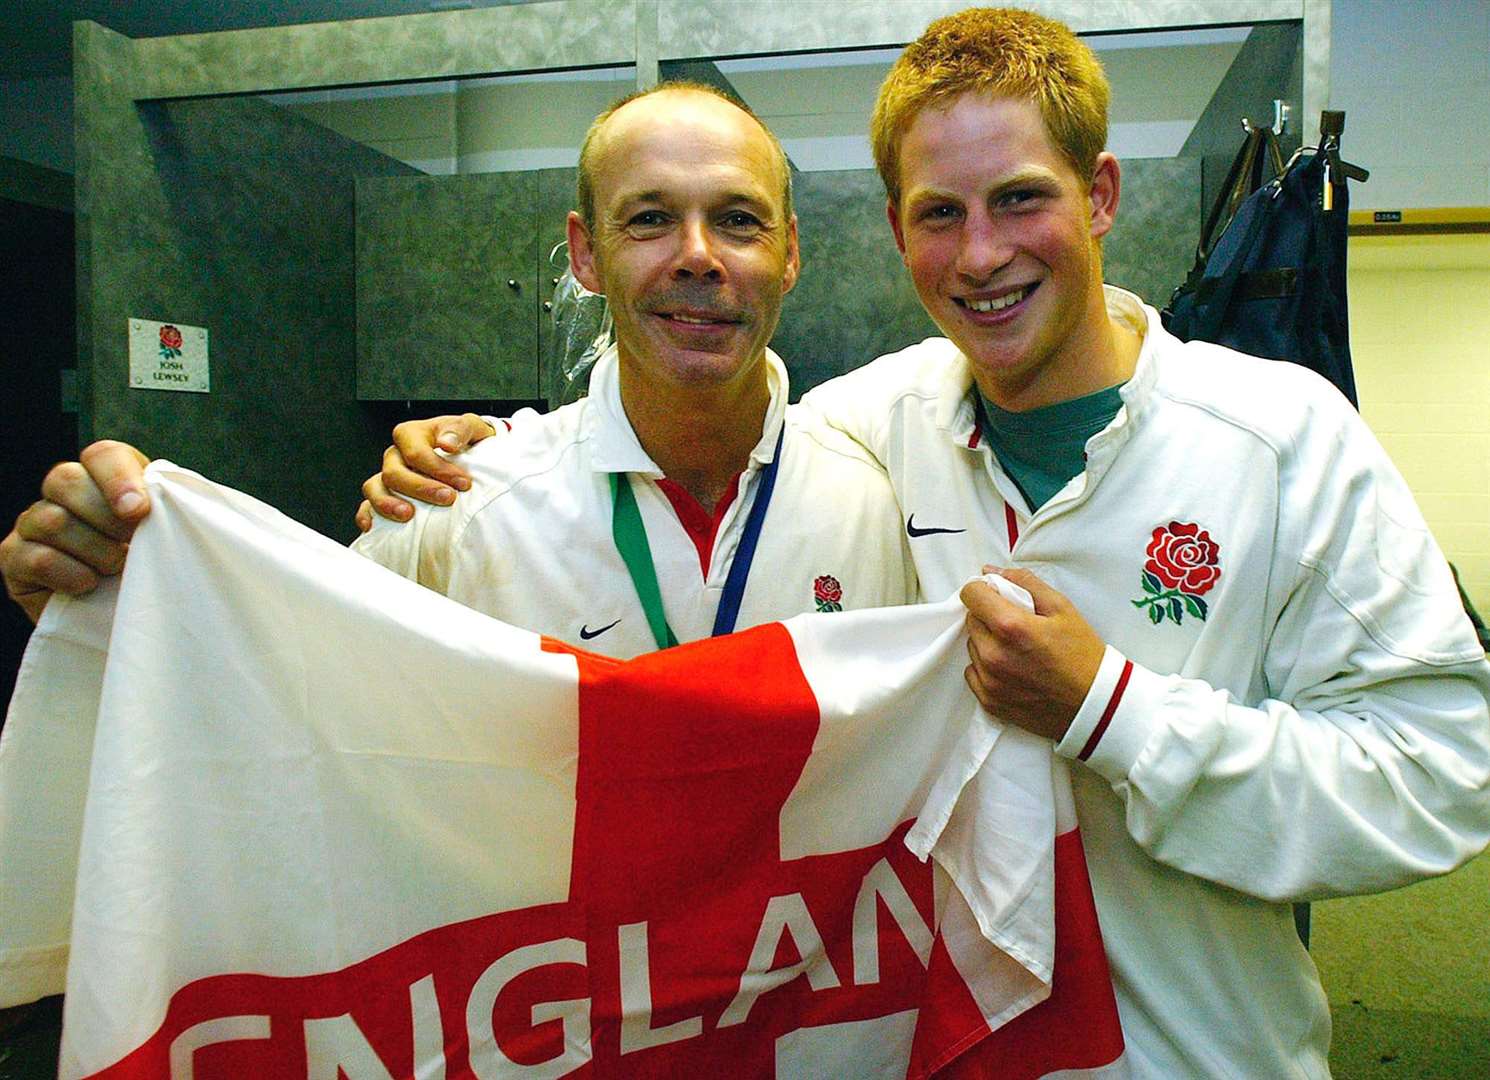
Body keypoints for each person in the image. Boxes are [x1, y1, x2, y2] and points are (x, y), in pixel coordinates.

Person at [360, 8, 1490, 1077]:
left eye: (1017, 199)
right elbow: (706, 429)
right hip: (923, 1042)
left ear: (1098, 195)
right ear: (895, 229)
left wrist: (1115, 712)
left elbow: (1442, 772)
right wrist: (477, 458)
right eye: (939, 214)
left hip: (1190, 1053)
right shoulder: (864, 434)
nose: (980, 253)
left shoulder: (1279, 439)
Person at [0, 83, 915, 658]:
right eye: (647, 220)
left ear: (790, 253)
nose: (697, 255)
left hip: (821, 964)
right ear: (585, 254)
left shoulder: (885, 498)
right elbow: (275, 680)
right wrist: (100, 610)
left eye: (739, 220)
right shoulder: (461, 502)